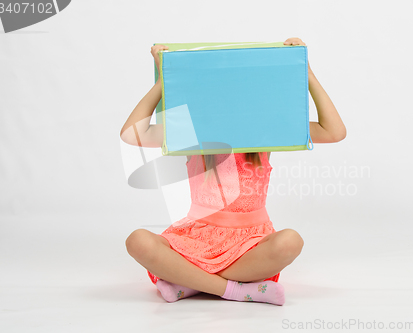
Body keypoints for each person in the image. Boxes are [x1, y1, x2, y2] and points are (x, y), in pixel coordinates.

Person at [120, 37, 347, 306]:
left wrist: (304, 72)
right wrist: (164, 81)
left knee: (290, 242)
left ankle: (188, 282)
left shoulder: (265, 131)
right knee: (138, 241)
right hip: (196, 239)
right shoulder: (192, 133)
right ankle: (237, 290)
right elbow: (132, 134)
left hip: (249, 243)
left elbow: (334, 132)